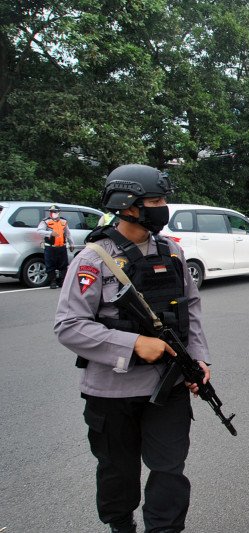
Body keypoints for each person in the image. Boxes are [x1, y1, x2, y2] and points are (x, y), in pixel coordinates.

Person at [54, 164, 211, 533]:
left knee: (169, 470)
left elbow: (190, 308)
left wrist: (199, 359)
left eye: (162, 200)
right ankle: (121, 526)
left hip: (168, 387)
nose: (162, 208)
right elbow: (68, 325)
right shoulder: (93, 259)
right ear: (128, 205)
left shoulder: (170, 251)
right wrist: (134, 343)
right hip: (112, 392)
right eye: (155, 201)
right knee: (117, 471)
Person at [37, 204, 75, 288]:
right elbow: (39, 231)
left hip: (61, 247)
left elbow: (68, 233)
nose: (53, 213)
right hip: (50, 247)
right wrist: (50, 233)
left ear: (59, 212)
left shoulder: (63, 221)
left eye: (55, 211)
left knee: (63, 265)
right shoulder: (45, 221)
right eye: (51, 211)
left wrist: (71, 243)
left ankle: (62, 281)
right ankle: (52, 282)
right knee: (50, 265)